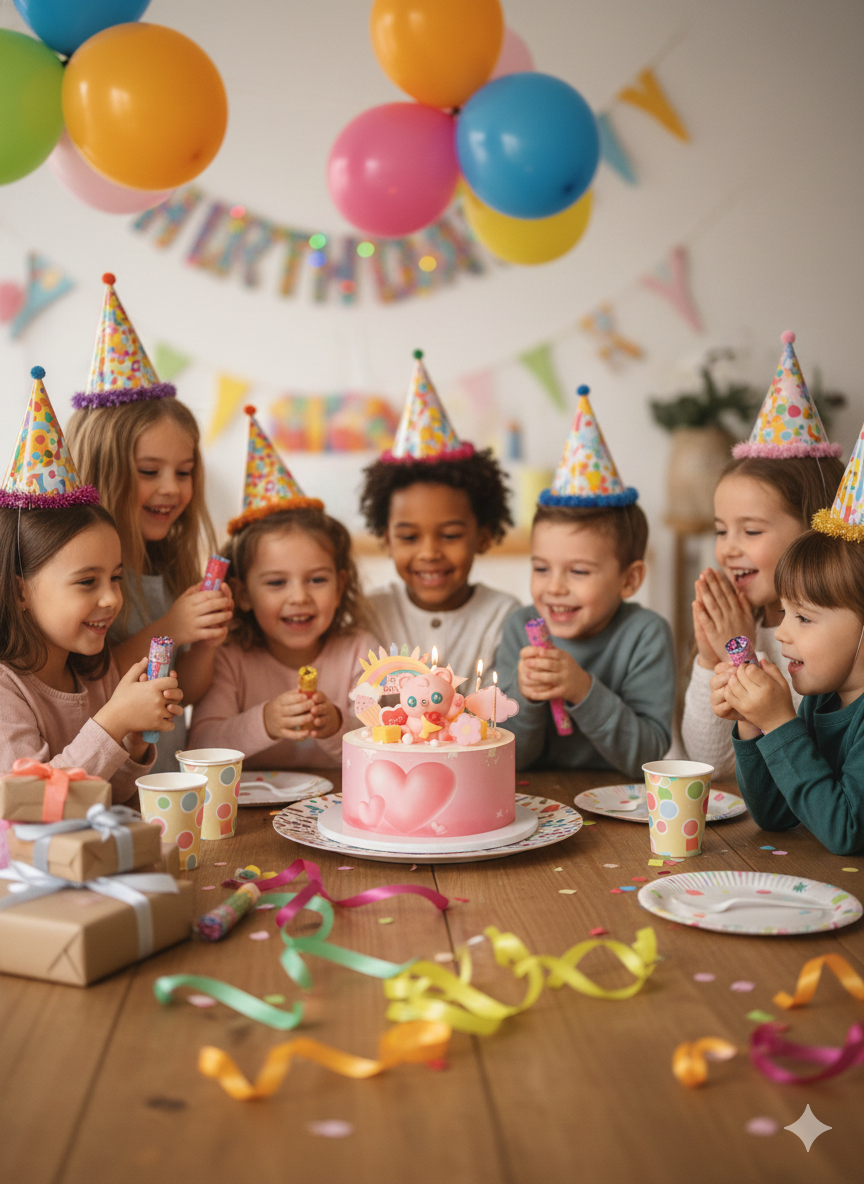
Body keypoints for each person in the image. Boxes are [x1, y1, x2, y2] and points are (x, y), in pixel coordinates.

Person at [66, 274, 232, 771]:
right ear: (104, 468)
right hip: (105, 779)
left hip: (167, 778)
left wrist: (202, 643)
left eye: (184, 473)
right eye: (149, 472)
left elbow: (187, 691)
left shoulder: (171, 566)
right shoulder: (79, 581)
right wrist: (171, 626)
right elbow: (87, 679)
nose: (171, 489)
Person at [0, 368, 183, 801]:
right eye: (86, 582)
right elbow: (29, 802)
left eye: (116, 578)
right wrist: (112, 722)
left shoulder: (96, 674)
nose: (111, 598)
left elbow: (100, 796)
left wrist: (133, 741)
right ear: (20, 590)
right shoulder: (7, 688)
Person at [681, 332, 845, 777]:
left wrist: (744, 657)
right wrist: (711, 658)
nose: (728, 547)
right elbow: (709, 765)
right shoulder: (745, 622)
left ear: (814, 528)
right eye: (721, 530)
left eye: (750, 530)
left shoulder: (839, 632)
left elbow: (812, 757)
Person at [496, 386, 674, 775]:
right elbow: (506, 759)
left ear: (629, 580)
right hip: (534, 801)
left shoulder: (646, 635)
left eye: (578, 572)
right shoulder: (518, 629)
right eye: (541, 568)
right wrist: (524, 697)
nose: (554, 587)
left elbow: (646, 757)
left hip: (621, 808)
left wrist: (583, 690)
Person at [189, 407, 376, 769]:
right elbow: (200, 746)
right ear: (242, 593)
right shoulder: (229, 658)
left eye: (317, 580)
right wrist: (266, 721)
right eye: (276, 582)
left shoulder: (359, 653)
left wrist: (337, 725)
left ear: (341, 586)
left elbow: (379, 748)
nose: (299, 597)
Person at [717, 429, 864, 854]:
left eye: (803, 617)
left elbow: (845, 831)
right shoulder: (824, 700)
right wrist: (752, 720)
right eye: (784, 613)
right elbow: (776, 815)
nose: (781, 633)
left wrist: (781, 723)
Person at [359, 350, 518, 680]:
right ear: (386, 538)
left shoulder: (504, 617)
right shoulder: (370, 614)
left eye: (450, 535)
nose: (429, 553)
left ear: (483, 536)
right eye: (408, 536)